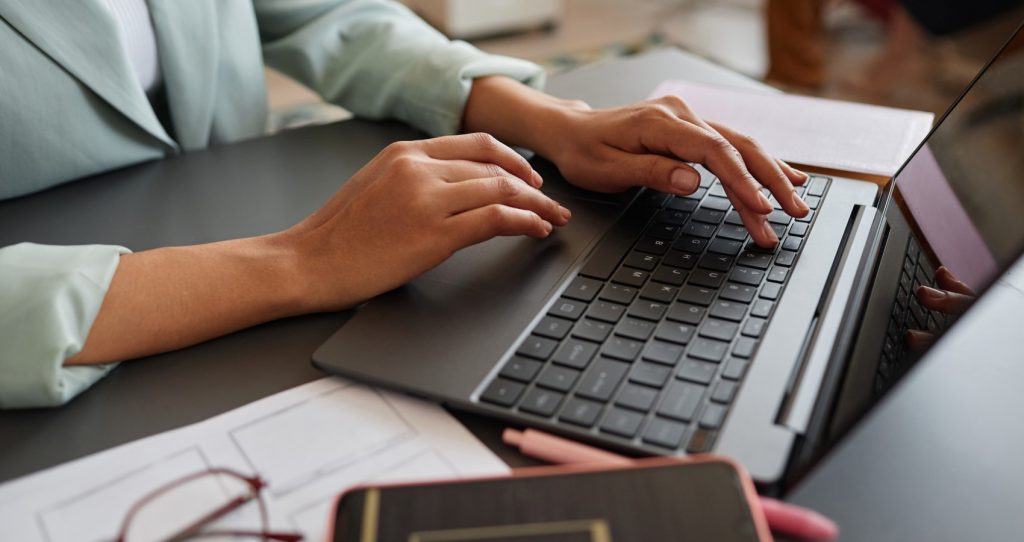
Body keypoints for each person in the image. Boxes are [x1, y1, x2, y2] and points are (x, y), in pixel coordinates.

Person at [0, 0, 811, 409]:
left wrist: (551, 121)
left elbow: (329, 13)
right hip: (86, 350)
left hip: (249, 253)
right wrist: (303, 261)